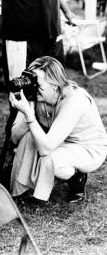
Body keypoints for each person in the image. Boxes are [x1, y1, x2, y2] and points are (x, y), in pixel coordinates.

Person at [9, 56, 107, 204]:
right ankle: (19, 192)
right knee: (27, 136)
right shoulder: (36, 96)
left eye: (37, 82)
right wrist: (26, 109)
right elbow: (14, 137)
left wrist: (30, 117)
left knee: (50, 159)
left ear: (55, 85)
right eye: (31, 79)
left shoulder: (75, 100)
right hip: (58, 140)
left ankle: (76, 178)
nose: (32, 85)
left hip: (87, 147)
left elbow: (46, 150)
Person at [1, 0, 76, 81]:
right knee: (21, 86)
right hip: (22, 32)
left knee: (55, 82)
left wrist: (67, 11)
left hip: (52, 28)